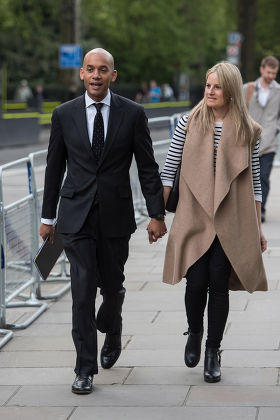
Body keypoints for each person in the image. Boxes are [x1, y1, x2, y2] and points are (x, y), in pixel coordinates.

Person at [40, 48, 167, 394]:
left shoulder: (133, 114)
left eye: (103, 70)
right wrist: (47, 218)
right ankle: (84, 369)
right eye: (91, 69)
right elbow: (54, 169)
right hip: (74, 217)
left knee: (111, 286)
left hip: (115, 217)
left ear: (114, 75)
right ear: (81, 74)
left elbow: (147, 166)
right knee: (82, 291)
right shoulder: (63, 115)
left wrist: (157, 214)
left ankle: (113, 322)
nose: (96, 75)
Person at [161, 61, 268, 383]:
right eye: (208, 85)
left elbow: (255, 181)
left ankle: (213, 350)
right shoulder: (187, 123)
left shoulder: (249, 131)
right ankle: (195, 331)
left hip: (231, 217)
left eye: (217, 86)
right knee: (195, 282)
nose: (210, 91)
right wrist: (157, 215)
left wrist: (258, 229)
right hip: (194, 213)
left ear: (231, 91)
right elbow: (169, 169)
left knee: (218, 283)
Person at [244, 56, 280, 223]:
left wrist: (276, 129)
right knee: (248, 178)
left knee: (263, 177)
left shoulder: (278, 91)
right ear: (261, 69)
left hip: (269, 143)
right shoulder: (248, 89)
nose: (271, 76)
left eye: (274, 73)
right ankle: (248, 209)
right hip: (249, 142)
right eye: (269, 72)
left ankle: (262, 210)